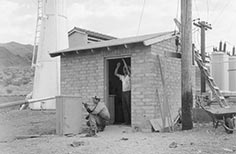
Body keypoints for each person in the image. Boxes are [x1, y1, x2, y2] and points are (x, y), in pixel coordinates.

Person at [114, 59, 131, 125]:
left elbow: (127, 69)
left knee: (129, 106)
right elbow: (115, 73)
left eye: (125, 70)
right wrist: (117, 66)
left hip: (128, 92)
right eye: (124, 70)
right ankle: (127, 121)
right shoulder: (122, 77)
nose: (124, 70)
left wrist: (124, 62)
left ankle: (130, 121)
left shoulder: (129, 76)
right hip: (123, 93)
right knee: (124, 107)